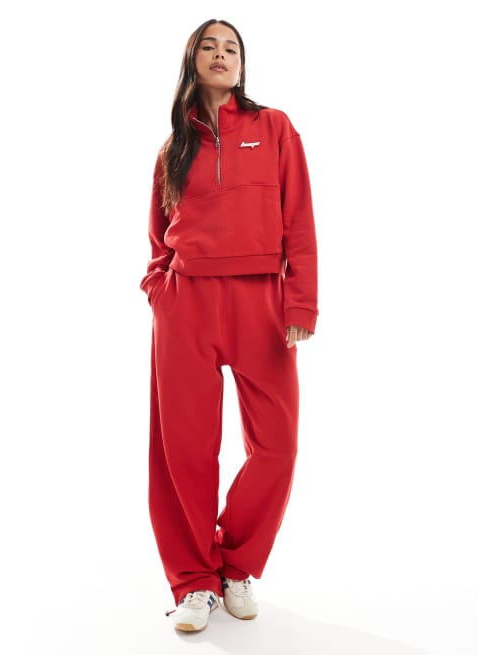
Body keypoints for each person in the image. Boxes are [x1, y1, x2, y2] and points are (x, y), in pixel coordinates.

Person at [140, 18, 318, 633]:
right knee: (183, 450)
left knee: (277, 445)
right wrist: (160, 292)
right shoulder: (173, 148)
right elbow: (157, 239)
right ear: (193, 60)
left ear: (242, 64)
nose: (221, 54)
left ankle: (236, 565)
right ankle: (194, 581)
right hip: (186, 303)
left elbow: (299, 219)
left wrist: (300, 304)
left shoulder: (274, 128)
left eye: (231, 47)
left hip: (260, 301)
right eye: (209, 47)